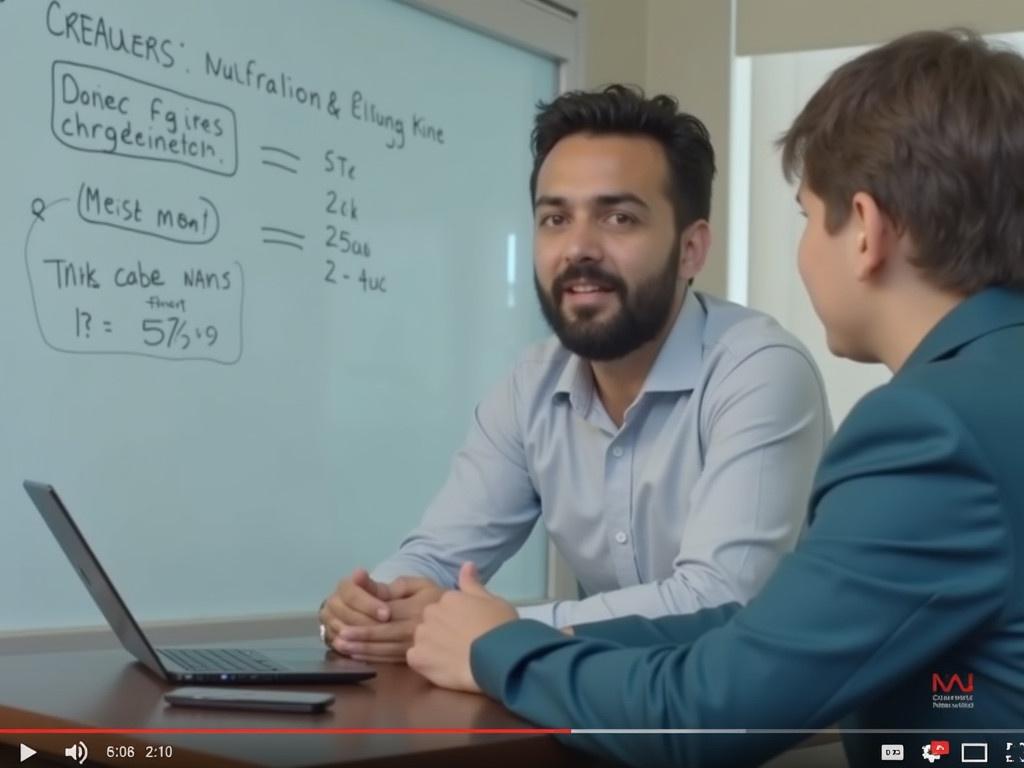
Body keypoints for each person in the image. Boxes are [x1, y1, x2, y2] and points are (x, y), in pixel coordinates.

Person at [405, 29, 1024, 767]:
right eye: (554, 216)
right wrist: (501, 629)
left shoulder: (928, 429)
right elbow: (759, 628)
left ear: (864, 230)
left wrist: (499, 645)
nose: (578, 246)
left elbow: (705, 713)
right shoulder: (989, 390)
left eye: (803, 215)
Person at [320, 85, 830, 665]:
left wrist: (494, 629)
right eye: (555, 218)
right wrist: (375, 604)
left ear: (691, 249)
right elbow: (438, 557)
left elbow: (719, 599)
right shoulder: (532, 384)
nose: (578, 248)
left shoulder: (758, 372)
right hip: (610, 708)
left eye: (618, 217)